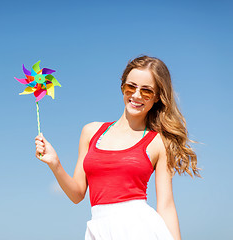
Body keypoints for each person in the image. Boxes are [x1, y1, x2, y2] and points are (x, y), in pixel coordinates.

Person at [35, 55, 200, 240]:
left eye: (146, 91)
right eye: (131, 87)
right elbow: (77, 195)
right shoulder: (90, 132)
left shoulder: (159, 142)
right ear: (122, 87)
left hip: (139, 229)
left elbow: (166, 205)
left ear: (157, 98)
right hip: (98, 229)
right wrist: (54, 163)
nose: (136, 95)